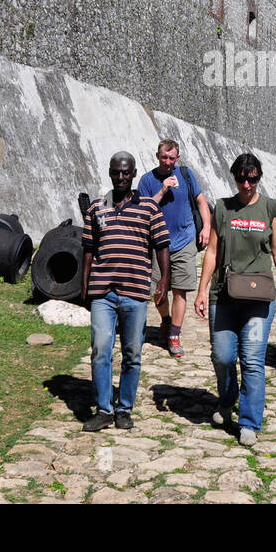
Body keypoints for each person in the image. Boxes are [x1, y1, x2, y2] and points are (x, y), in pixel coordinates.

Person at [193, 153, 276, 446]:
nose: (247, 184)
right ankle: (227, 399)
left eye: (252, 178)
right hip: (223, 294)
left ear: (259, 177)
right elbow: (212, 251)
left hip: (258, 297)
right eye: (241, 178)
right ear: (234, 177)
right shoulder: (222, 208)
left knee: (252, 360)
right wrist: (201, 290)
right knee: (222, 356)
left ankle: (249, 421)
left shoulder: (270, 208)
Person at [80, 151, 170, 432]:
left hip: (135, 292)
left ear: (133, 175)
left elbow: (162, 246)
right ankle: (104, 409)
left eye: (126, 173)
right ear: (110, 173)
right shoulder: (96, 208)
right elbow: (88, 250)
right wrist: (84, 286)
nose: (121, 177)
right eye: (116, 172)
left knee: (132, 353)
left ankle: (124, 408)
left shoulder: (149, 209)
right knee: (101, 350)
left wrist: (164, 279)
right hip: (102, 293)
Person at [136, 139, 211, 358]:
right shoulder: (147, 180)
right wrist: (162, 190)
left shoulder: (186, 175)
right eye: (164, 157)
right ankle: (165, 320)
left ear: (177, 158)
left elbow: (200, 201)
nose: (168, 162)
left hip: (185, 240)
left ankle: (174, 335)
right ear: (157, 156)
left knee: (181, 289)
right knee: (158, 290)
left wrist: (206, 227)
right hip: (158, 244)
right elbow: (143, 212)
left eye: (172, 158)